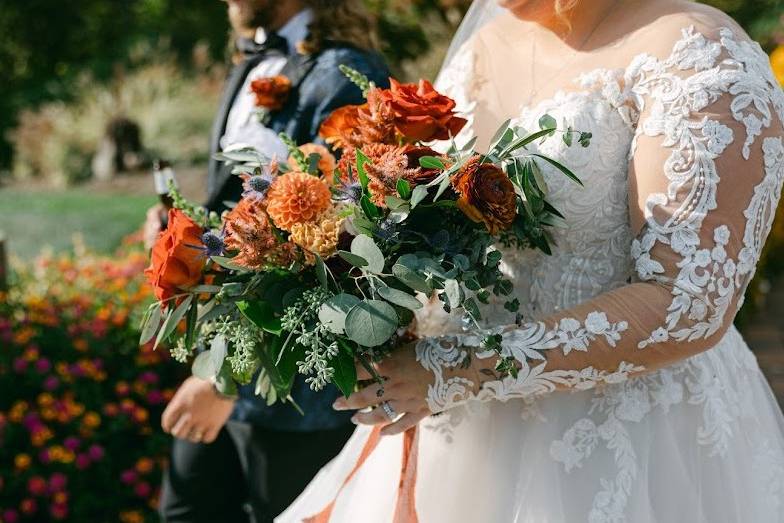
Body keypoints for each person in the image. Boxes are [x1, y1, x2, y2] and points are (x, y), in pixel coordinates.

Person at [278, 0, 784, 521]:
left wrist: (458, 368)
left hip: (630, 433)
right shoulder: (483, 44)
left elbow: (687, 302)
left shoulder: (696, 52)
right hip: (453, 425)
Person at [144, 1, 390, 522]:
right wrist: (183, 232)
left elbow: (327, 248)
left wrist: (224, 380)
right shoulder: (250, 62)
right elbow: (241, 209)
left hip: (296, 385)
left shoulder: (349, 74)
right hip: (223, 352)